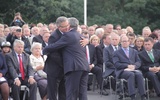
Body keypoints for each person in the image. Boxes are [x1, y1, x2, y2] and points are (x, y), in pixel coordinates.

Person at [43, 17, 89, 100]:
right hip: (55, 68)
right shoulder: (54, 36)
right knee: (53, 93)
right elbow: (53, 54)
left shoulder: (71, 34)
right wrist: (64, 64)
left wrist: (87, 40)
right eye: (64, 26)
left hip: (70, 67)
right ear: (58, 27)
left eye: (67, 25)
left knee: (67, 92)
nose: (67, 27)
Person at [113, 35, 146, 100]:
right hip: (122, 71)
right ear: (120, 42)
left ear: (129, 42)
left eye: (126, 41)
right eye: (123, 41)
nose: (125, 43)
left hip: (133, 69)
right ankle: (132, 95)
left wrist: (134, 66)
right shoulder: (116, 53)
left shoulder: (134, 51)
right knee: (131, 75)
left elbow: (139, 62)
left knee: (139, 74)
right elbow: (117, 64)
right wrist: (127, 66)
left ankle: (143, 95)